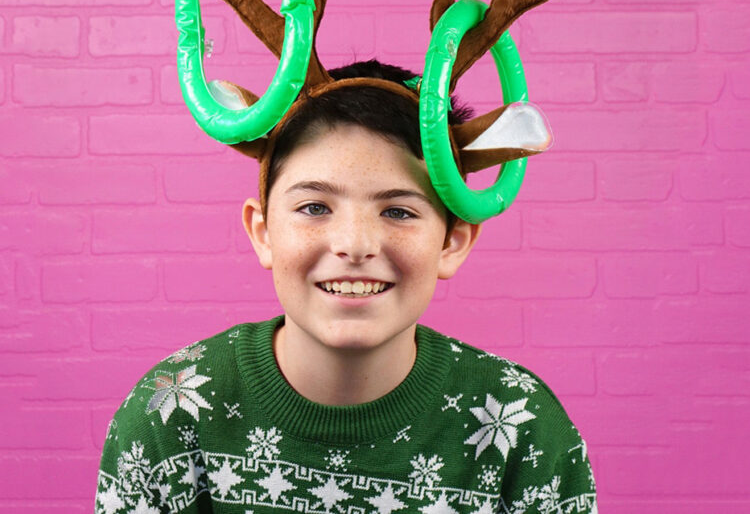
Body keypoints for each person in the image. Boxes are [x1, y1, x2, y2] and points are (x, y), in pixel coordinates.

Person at [95, 60, 598, 514]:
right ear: (263, 232)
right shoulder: (168, 410)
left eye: (398, 211)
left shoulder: (524, 427)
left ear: (452, 242)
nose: (355, 245)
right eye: (314, 207)